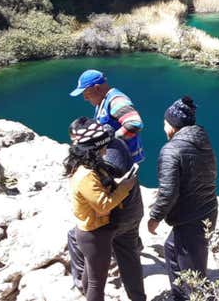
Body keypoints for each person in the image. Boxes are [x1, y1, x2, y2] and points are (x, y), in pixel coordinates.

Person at [67, 117, 146, 301]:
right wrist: (123, 186)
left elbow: (102, 201)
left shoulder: (90, 166)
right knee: (127, 259)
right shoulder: (116, 145)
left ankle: (82, 287)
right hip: (127, 215)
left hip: (109, 222)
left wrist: (120, 186)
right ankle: (138, 298)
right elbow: (103, 199)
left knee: (93, 274)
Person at [148, 96, 218, 301]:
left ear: (173, 125)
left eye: (164, 122)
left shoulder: (171, 150)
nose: (163, 126)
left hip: (190, 218)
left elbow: (168, 191)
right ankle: (178, 296)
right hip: (208, 210)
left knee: (193, 277)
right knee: (171, 249)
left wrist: (155, 217)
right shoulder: (202, 140)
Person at [70, 69, 146, 164]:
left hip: (123, 160)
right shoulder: (102, 101)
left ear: (97, 88)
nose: (85, 98)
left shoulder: (116, 101)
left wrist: (108, 140)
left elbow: (135, 124)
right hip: (114, 157)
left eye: (87, 94)